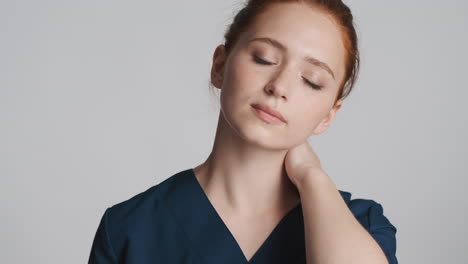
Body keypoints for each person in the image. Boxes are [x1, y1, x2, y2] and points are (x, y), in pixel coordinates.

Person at [88, 0, 398, 263]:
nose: (279, 87)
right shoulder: (130, 230)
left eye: (312, 80)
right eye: (264, 58)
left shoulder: (362, 228)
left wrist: (311, 175)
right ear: (220, 65)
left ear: (329, 115)